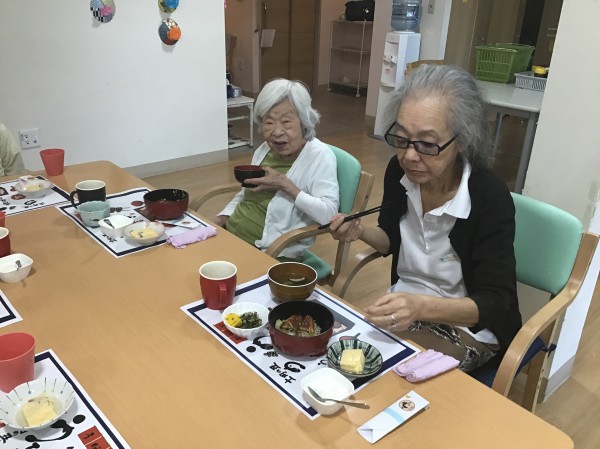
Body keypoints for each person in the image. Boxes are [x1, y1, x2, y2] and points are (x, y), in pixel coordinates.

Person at [329, 65, 522, 372]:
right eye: (402, 138)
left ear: (462, 140)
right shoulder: (400, 172)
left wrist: (419, 306)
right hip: (406, 307)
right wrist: (360, 231)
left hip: (469, 328)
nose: (410, 156)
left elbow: (496, 302)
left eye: (428, 144)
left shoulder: (489, 197)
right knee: (343, 355)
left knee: (387, 372)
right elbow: (391, 239)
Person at [213, 79, 339, 260]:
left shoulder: (320, 156)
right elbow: (245, 194)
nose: (277, 132)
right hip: (232, 235)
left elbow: (329, 215)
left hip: (269, 252)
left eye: (286, 122)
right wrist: (223, 217)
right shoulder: (265, 149)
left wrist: (286, 186)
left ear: (304, 121)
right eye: (269, 122)